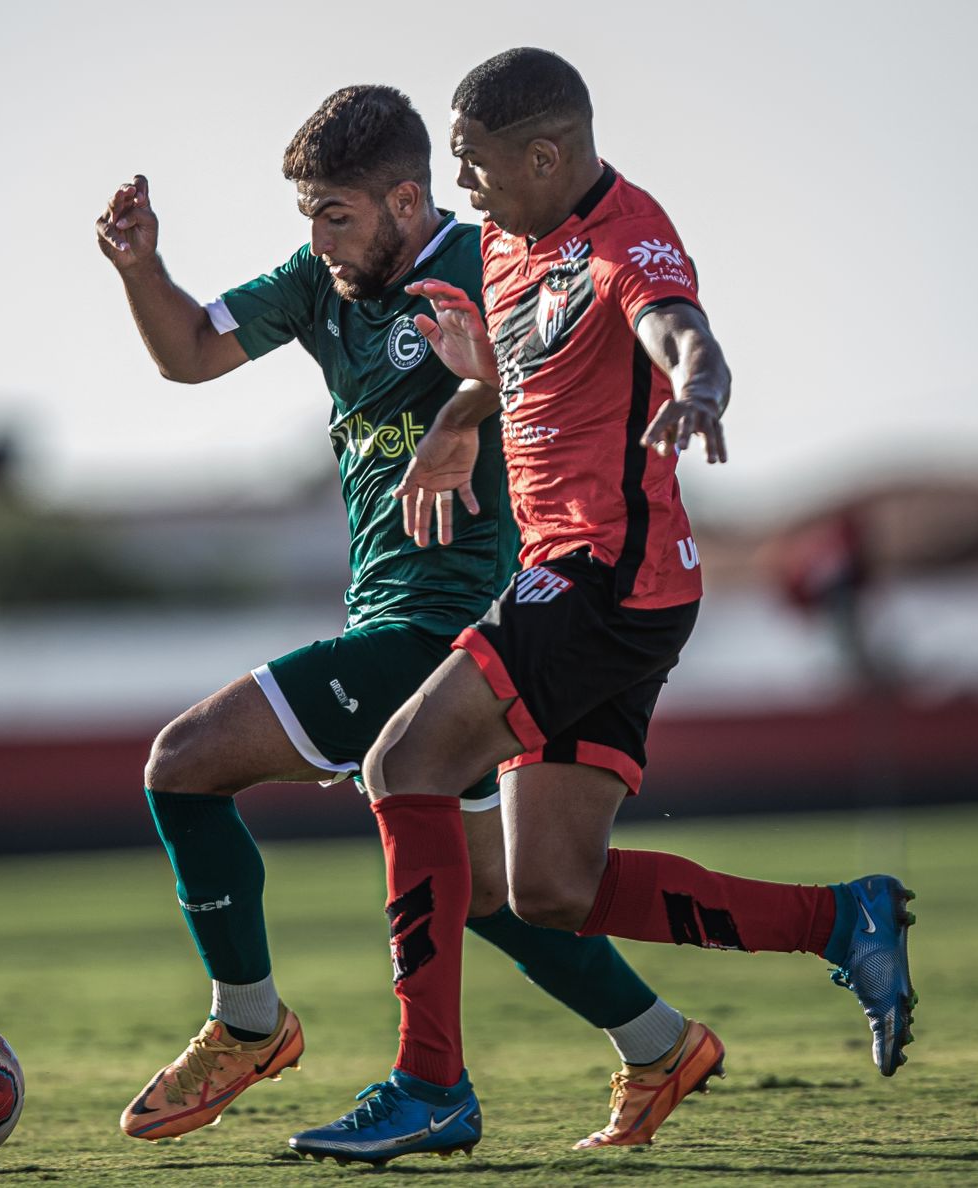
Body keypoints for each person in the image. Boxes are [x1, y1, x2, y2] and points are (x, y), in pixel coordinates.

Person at [288, 49, 917, 1166]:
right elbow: (522, 368)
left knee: (400, 767)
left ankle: (428, 1085)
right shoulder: (504, 243)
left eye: (475, 166)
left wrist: (699, 385)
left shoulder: (628, 235)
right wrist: (465, 407)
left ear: (545, 154)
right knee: (548, 889)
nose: (461, 189)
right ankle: (842, 919)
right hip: (614, 587)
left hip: (598, 574)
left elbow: (676, 325)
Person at [96, 84, 724, 1151]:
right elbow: (188, 357)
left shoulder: (493, 261)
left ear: (401, 199)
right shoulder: (317, 283)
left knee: (184, 761)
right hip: (406, 617)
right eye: (307, 216)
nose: (316, 238)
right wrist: (139, 269)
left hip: (451, 624)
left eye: (334, 215)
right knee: (486, 890)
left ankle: (248, 1025)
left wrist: (477, 410)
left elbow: (569, 367)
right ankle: (659, 1042)